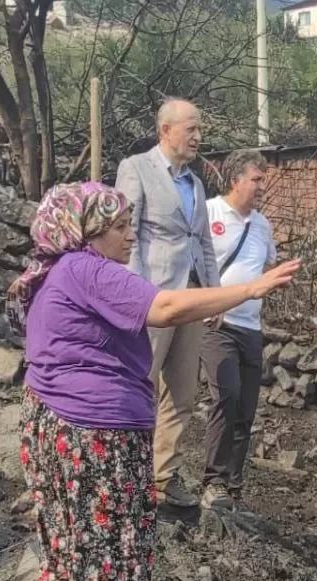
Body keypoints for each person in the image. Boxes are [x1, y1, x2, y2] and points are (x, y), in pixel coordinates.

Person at [7, 182, 301, 581]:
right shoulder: (85, 269)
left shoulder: (50, 274)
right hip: (97, 440)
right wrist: (247, 290)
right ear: (87, 232)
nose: (128, 234)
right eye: (118, 225)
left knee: (65, 565)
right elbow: (163, 306)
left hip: (52, 432)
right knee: (106, 568)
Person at [115, 98, 220, 508]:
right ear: (166, 131)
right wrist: (139, 295)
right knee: (139, 383)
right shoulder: (137, 168)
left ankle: (162, 478)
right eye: (191, 129)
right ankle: (126, 473)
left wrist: (213, 297)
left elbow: (204, 245)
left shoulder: (195, 183)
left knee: (182, 393)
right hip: (154, 298)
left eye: (199, 129)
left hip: (190, 299)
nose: (198, 137)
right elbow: (128, 235)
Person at [198, 150, 275, 510]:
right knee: (225, 396)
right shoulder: (209, 212)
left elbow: (265, 269)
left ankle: (233, 487)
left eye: (263, 178)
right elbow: (193, 263)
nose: (262, 186)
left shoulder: (262, 226)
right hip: (217, 324)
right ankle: (213, 480)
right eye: (256, 179)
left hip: (251, 327)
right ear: (235, 181)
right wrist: (205, 302)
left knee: (245, 409)